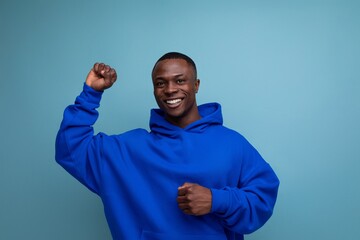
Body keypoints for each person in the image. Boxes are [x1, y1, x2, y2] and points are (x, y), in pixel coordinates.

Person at [55, 52, 280, 240]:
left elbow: (263, 199)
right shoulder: (127, 150)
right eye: (160, 83)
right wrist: (91, 93)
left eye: (180, 80)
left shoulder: (232, 144)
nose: (170, 89)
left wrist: (216, 200)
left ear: (196, 85)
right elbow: (70, 148)